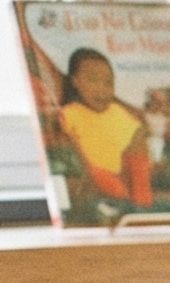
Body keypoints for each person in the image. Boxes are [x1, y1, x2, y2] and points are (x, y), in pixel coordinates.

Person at [57, 48, 151, 210]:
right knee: (106, 181)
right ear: (75, 82)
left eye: (108, 82)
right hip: (95, 175)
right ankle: (128, 202)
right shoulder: (70, 113)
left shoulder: (117, 111)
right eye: (93, 80)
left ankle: (141, 200)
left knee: (138, 146)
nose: (102, 88)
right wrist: (87, 172)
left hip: (125, 173)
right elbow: (71, 147)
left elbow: (137, 138)